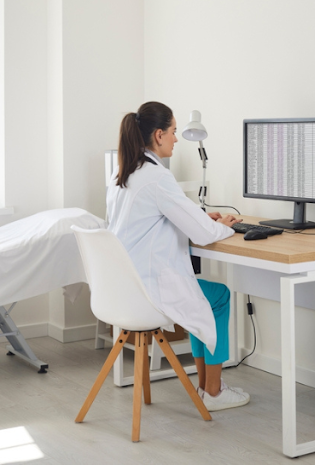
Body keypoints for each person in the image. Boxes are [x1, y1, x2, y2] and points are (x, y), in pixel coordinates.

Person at [106, 101, 250, 411]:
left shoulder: (125, 174)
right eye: (173, 132)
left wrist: (198, 215)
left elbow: (160, 215)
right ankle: (212, 391)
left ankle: (205, 387)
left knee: (203, 295)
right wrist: (223, 225)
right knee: (219, 296)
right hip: (148, 293)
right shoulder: (157, 177)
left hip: (121, 292)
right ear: (158, 135)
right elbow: (202, 234)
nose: (176, 138)